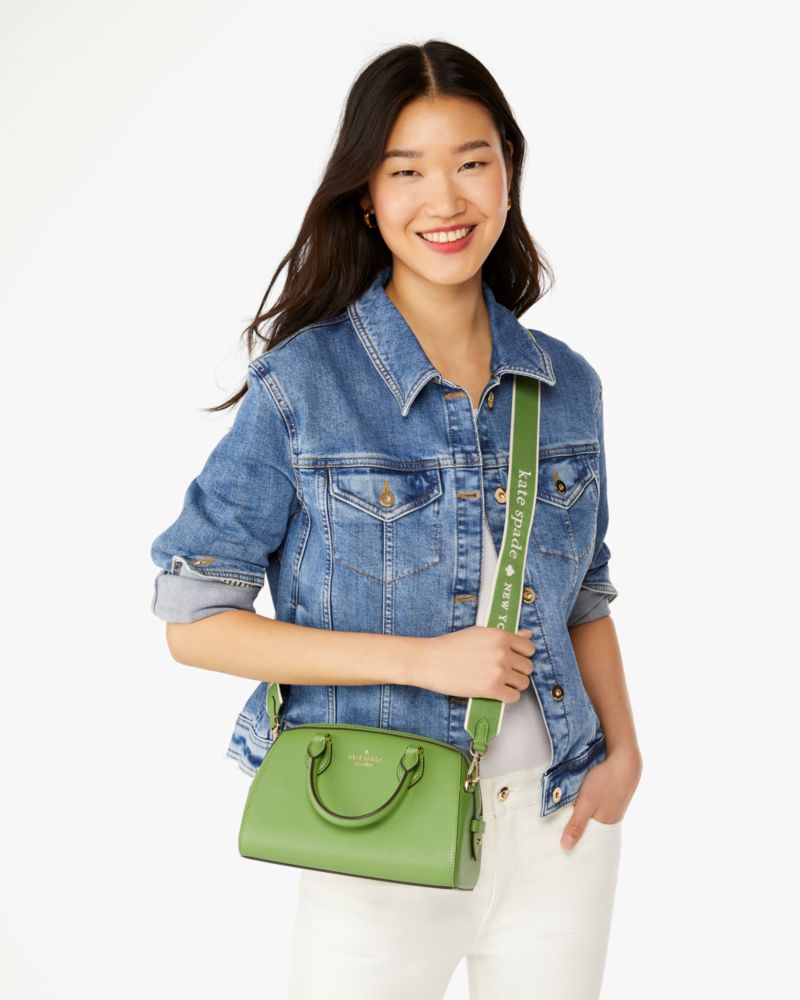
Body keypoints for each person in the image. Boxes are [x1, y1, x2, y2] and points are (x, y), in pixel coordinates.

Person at [150, 38, 643, 1000]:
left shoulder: (567, 384)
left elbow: (586, 596)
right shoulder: (304, 385)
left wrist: (622, 756)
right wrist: (423, 662)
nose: (444, 199)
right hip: (374, 825)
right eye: (406, 170)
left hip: (561, 826)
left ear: (508, 172)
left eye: (471, 162)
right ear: (368, 197)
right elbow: (194, 622)